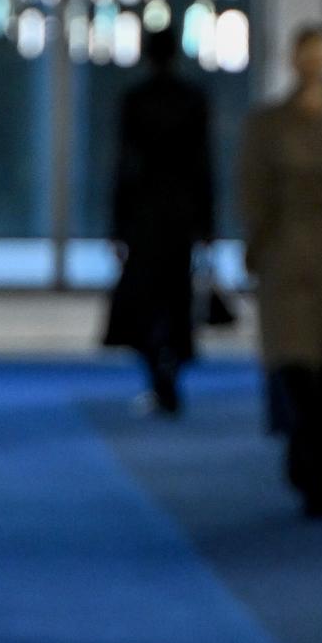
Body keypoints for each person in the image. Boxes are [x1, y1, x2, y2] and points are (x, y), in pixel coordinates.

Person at [239, 24, 322, 518]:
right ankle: (307, 457)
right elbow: (254, 193)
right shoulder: (270, 125)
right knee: (298, 366)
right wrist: (256, 249)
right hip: (293, 258)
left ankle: (317, 462)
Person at [104, 24, 216, 415]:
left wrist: (117, 225)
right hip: (181, 213)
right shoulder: (193, 99)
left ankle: (158, 372)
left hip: (145, 212)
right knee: (176, 297)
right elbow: (203, 166)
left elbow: (125, 165)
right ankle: (170, 371)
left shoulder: (136, 100)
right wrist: (207, 224)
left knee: (145, 299)